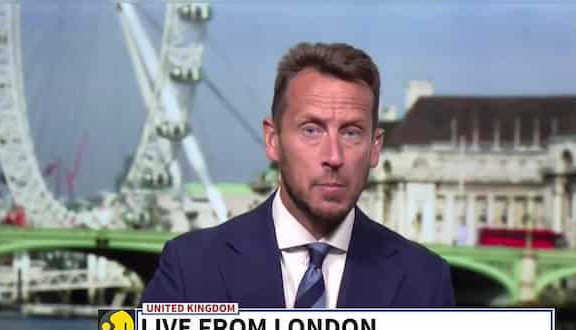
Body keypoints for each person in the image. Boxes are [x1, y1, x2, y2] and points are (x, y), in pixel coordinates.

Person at [142, 42, 454, 307]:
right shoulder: (191, 268)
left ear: (375, 148)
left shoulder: (425, 282)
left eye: (351, 133)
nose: (334, 157)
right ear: (273, 140)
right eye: (311, 130)